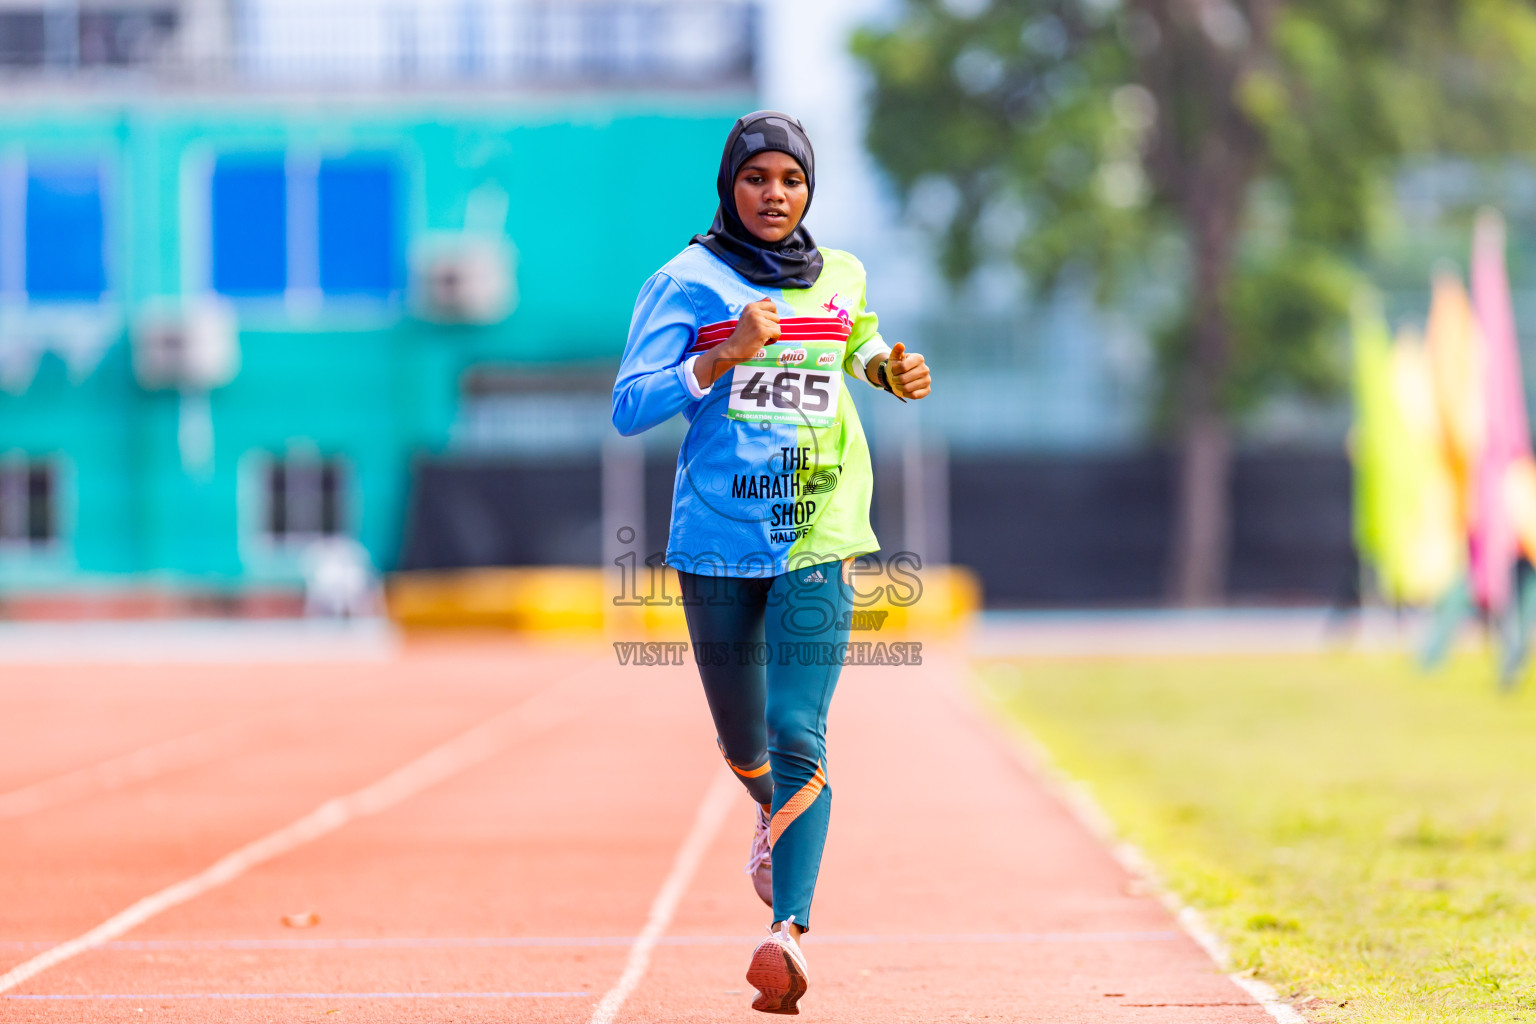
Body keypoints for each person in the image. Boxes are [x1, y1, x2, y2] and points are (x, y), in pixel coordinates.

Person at [611, 110, 931, 1015]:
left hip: (818, 528)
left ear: (809, 190)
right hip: (715, 538)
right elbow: (629, 407)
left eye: (790, 181)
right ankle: (769, 807)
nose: (775, 196)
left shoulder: (841, 273)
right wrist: (719, 358)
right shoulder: (682, 280)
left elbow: (857, 339)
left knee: (800, 729)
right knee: (747, 743)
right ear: (730, 186)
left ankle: (786, 933)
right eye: (757, 180)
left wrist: (888, 370)